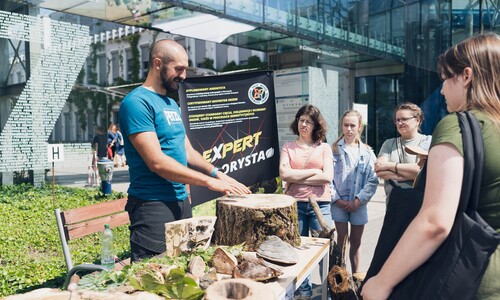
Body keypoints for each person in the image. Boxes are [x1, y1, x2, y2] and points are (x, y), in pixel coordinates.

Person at [361, 33, 500, 300]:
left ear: (467, 76)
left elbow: (435, 221)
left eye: (446, 79)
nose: (443, 89)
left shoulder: (457, 126)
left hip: (466, 279)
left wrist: (382, 282)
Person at [118, 39, 251, 262]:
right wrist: (208, 183)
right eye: (178, 69)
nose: (184, 76)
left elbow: (188, 151)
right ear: (158, 63)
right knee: (153, 277)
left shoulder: (171, 104)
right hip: (152, 206)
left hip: (180, 202)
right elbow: (157, 162)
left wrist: (217, 174)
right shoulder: (137, 103)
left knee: (185, 269)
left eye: (185, 69)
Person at [279, 104, 333, 299]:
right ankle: (304, 292)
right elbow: (284, 174)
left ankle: (327, 291)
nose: (304, 124)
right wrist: (314, 172)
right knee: (298, 250)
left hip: (321, 204)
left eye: (308, 121)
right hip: (295, 204)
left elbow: (327, 177)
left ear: (315, 125)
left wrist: (296, 176)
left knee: (324, 249)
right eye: (301, 120)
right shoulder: (288, 147)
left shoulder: (324, 147)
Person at [330, 110, 378, 275]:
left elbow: (373, 179)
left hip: (359, 204)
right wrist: (336, 199)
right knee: (341, 241)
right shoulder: (333, 149)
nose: (349, 129)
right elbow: (328, 179)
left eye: (353, 125)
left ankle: (356, 277)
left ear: (359, 128)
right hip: (339, 204)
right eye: (346, 125)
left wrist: (359, 200)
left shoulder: (367, 152)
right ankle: (339, 278)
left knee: (356, 242)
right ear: (341, 126)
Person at [374, 102, 432, 202]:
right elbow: (379, 170)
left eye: (404, 119)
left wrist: (392, 167)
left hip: (420, 205)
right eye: (397, 120)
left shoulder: (428, 141)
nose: (400, 123)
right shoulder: (388, 144)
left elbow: (425, 173)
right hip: (394, 206)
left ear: (417, 120)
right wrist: (413, 174)